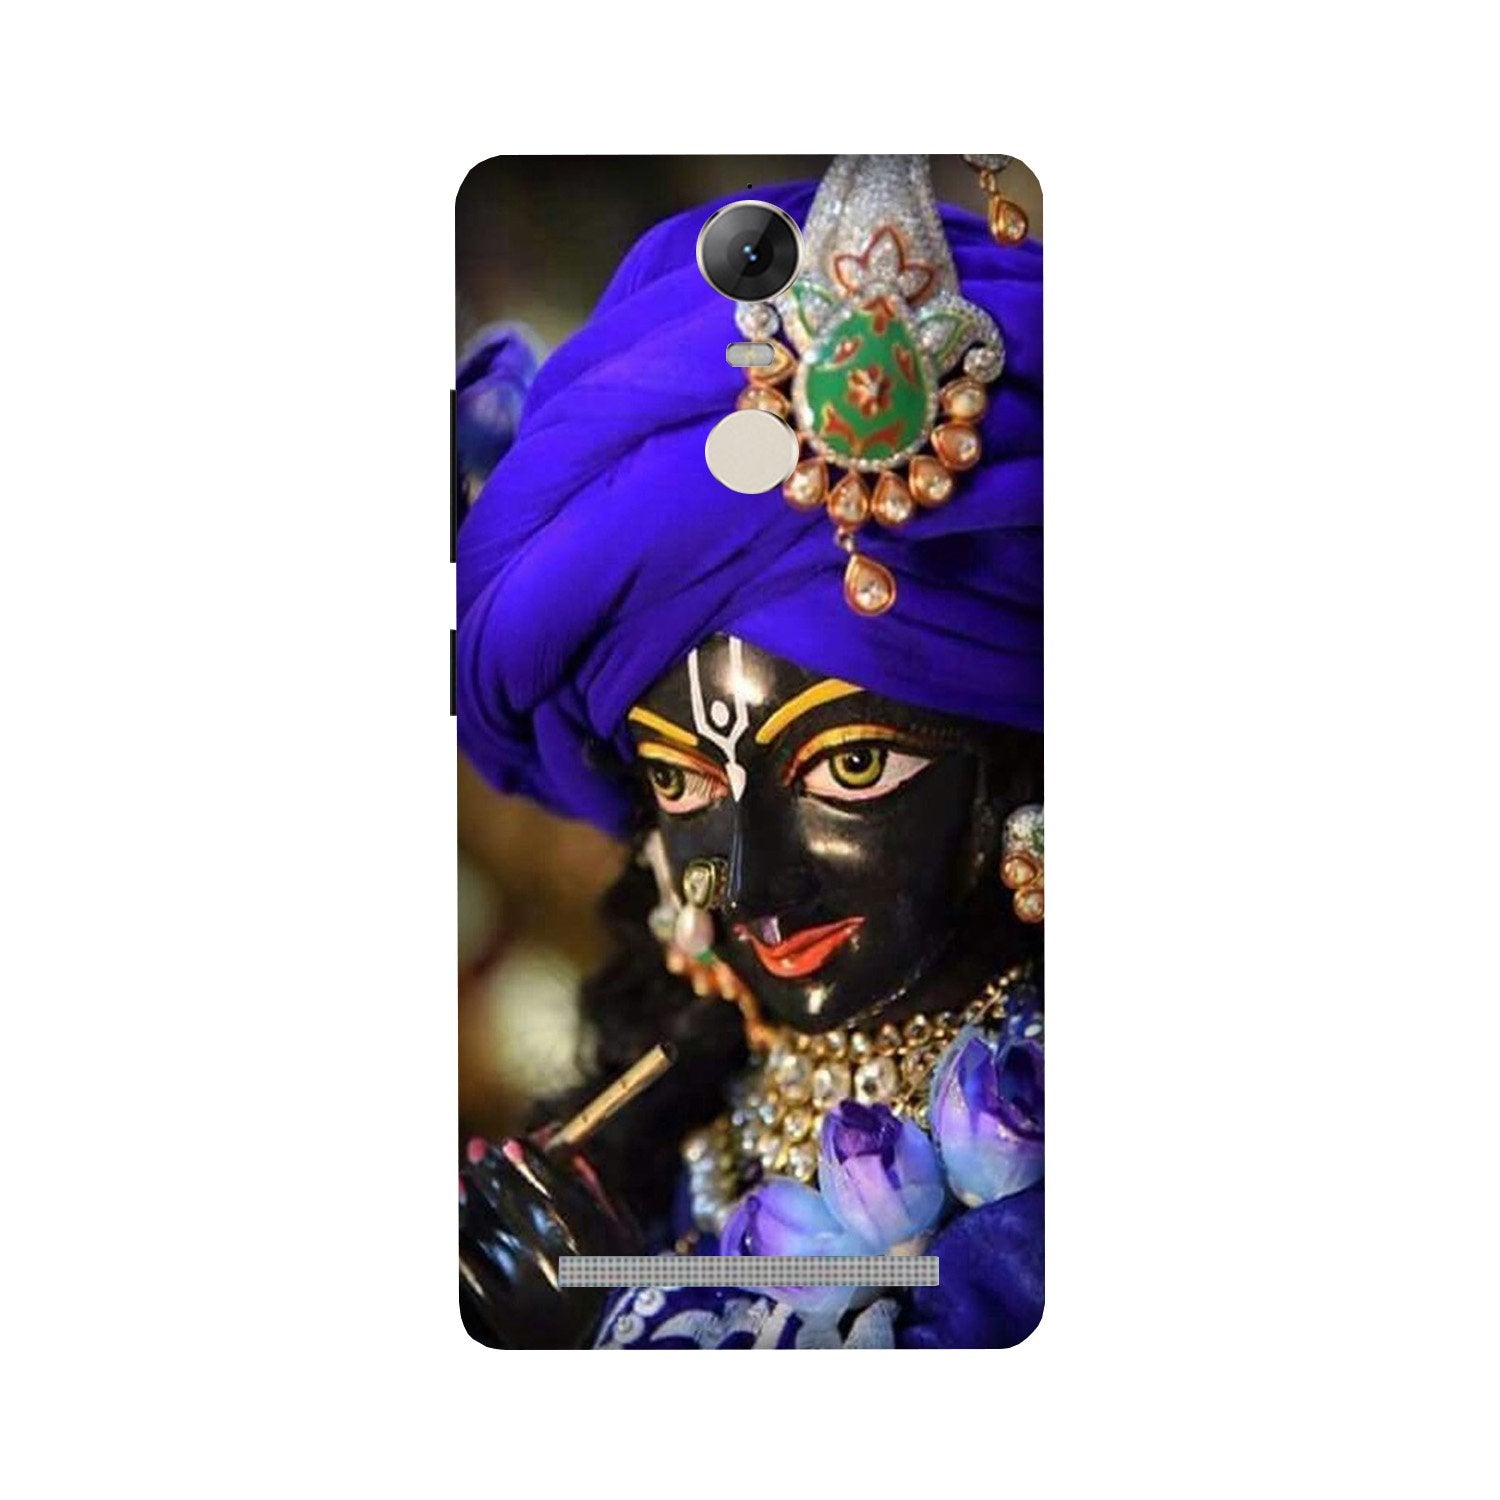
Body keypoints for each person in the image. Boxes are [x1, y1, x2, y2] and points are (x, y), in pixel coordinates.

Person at [456, 156, 1043, 1349]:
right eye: (681, 783)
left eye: (851, 769)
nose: (751, 881)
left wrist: (602, 1317)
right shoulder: (685, 1107)